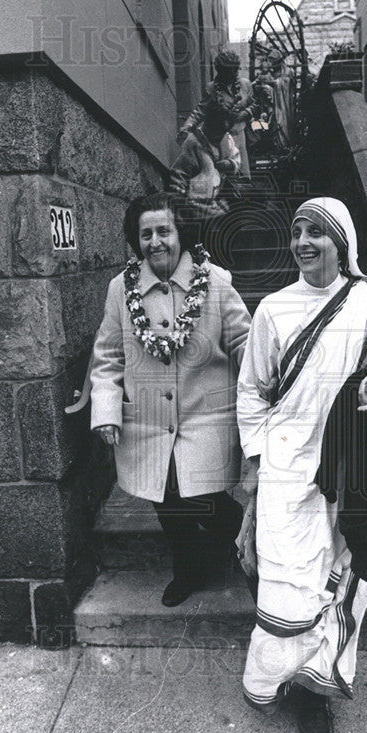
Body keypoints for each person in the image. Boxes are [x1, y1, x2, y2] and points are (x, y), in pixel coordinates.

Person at [235, 197, 367, 733]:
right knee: (288, 583)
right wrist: (263, 466)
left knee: (341, 581)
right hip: (288, 472)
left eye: (317, 232)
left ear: (343, 243)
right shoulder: (273, 310)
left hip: (351, 469)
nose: (304, 242)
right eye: (297, 232)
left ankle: (314, 695)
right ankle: (282, 679)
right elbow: (251, 391)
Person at [90, 191, 252, 607]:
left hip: (205, 415)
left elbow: (245, 343)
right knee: (166, 503)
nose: (156, 241)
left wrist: (264, 394)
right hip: (146, 422)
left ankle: (255, 554)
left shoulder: (214, 282)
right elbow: (107, 355)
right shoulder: (119, 289)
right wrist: (106, 410)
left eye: (164, 230)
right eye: (146, 234)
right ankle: (188, 569)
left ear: (181, 233)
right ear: (136, 239)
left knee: (204, 498)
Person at [179, 49, 254, 177]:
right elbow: (200, 110)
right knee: (224, 175)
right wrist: (187, 126)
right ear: (222, 71)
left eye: (235, 70)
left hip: (240, 136)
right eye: (230, 71)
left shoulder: (245, 84)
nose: (234, 73)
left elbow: (254, 104)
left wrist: (246, 112)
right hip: (221, 139)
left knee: (243, 175)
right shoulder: (212, 88)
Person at [169, 100, 241, 217]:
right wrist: (181, 202)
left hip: (218, 199)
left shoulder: (227, 140)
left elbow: (236, 157)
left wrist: (230, 164)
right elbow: (178, 175)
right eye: (216, 132)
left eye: (222, 133)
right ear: (207, 126)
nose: (219, 137)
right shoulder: (194, 143)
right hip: (196, 203)